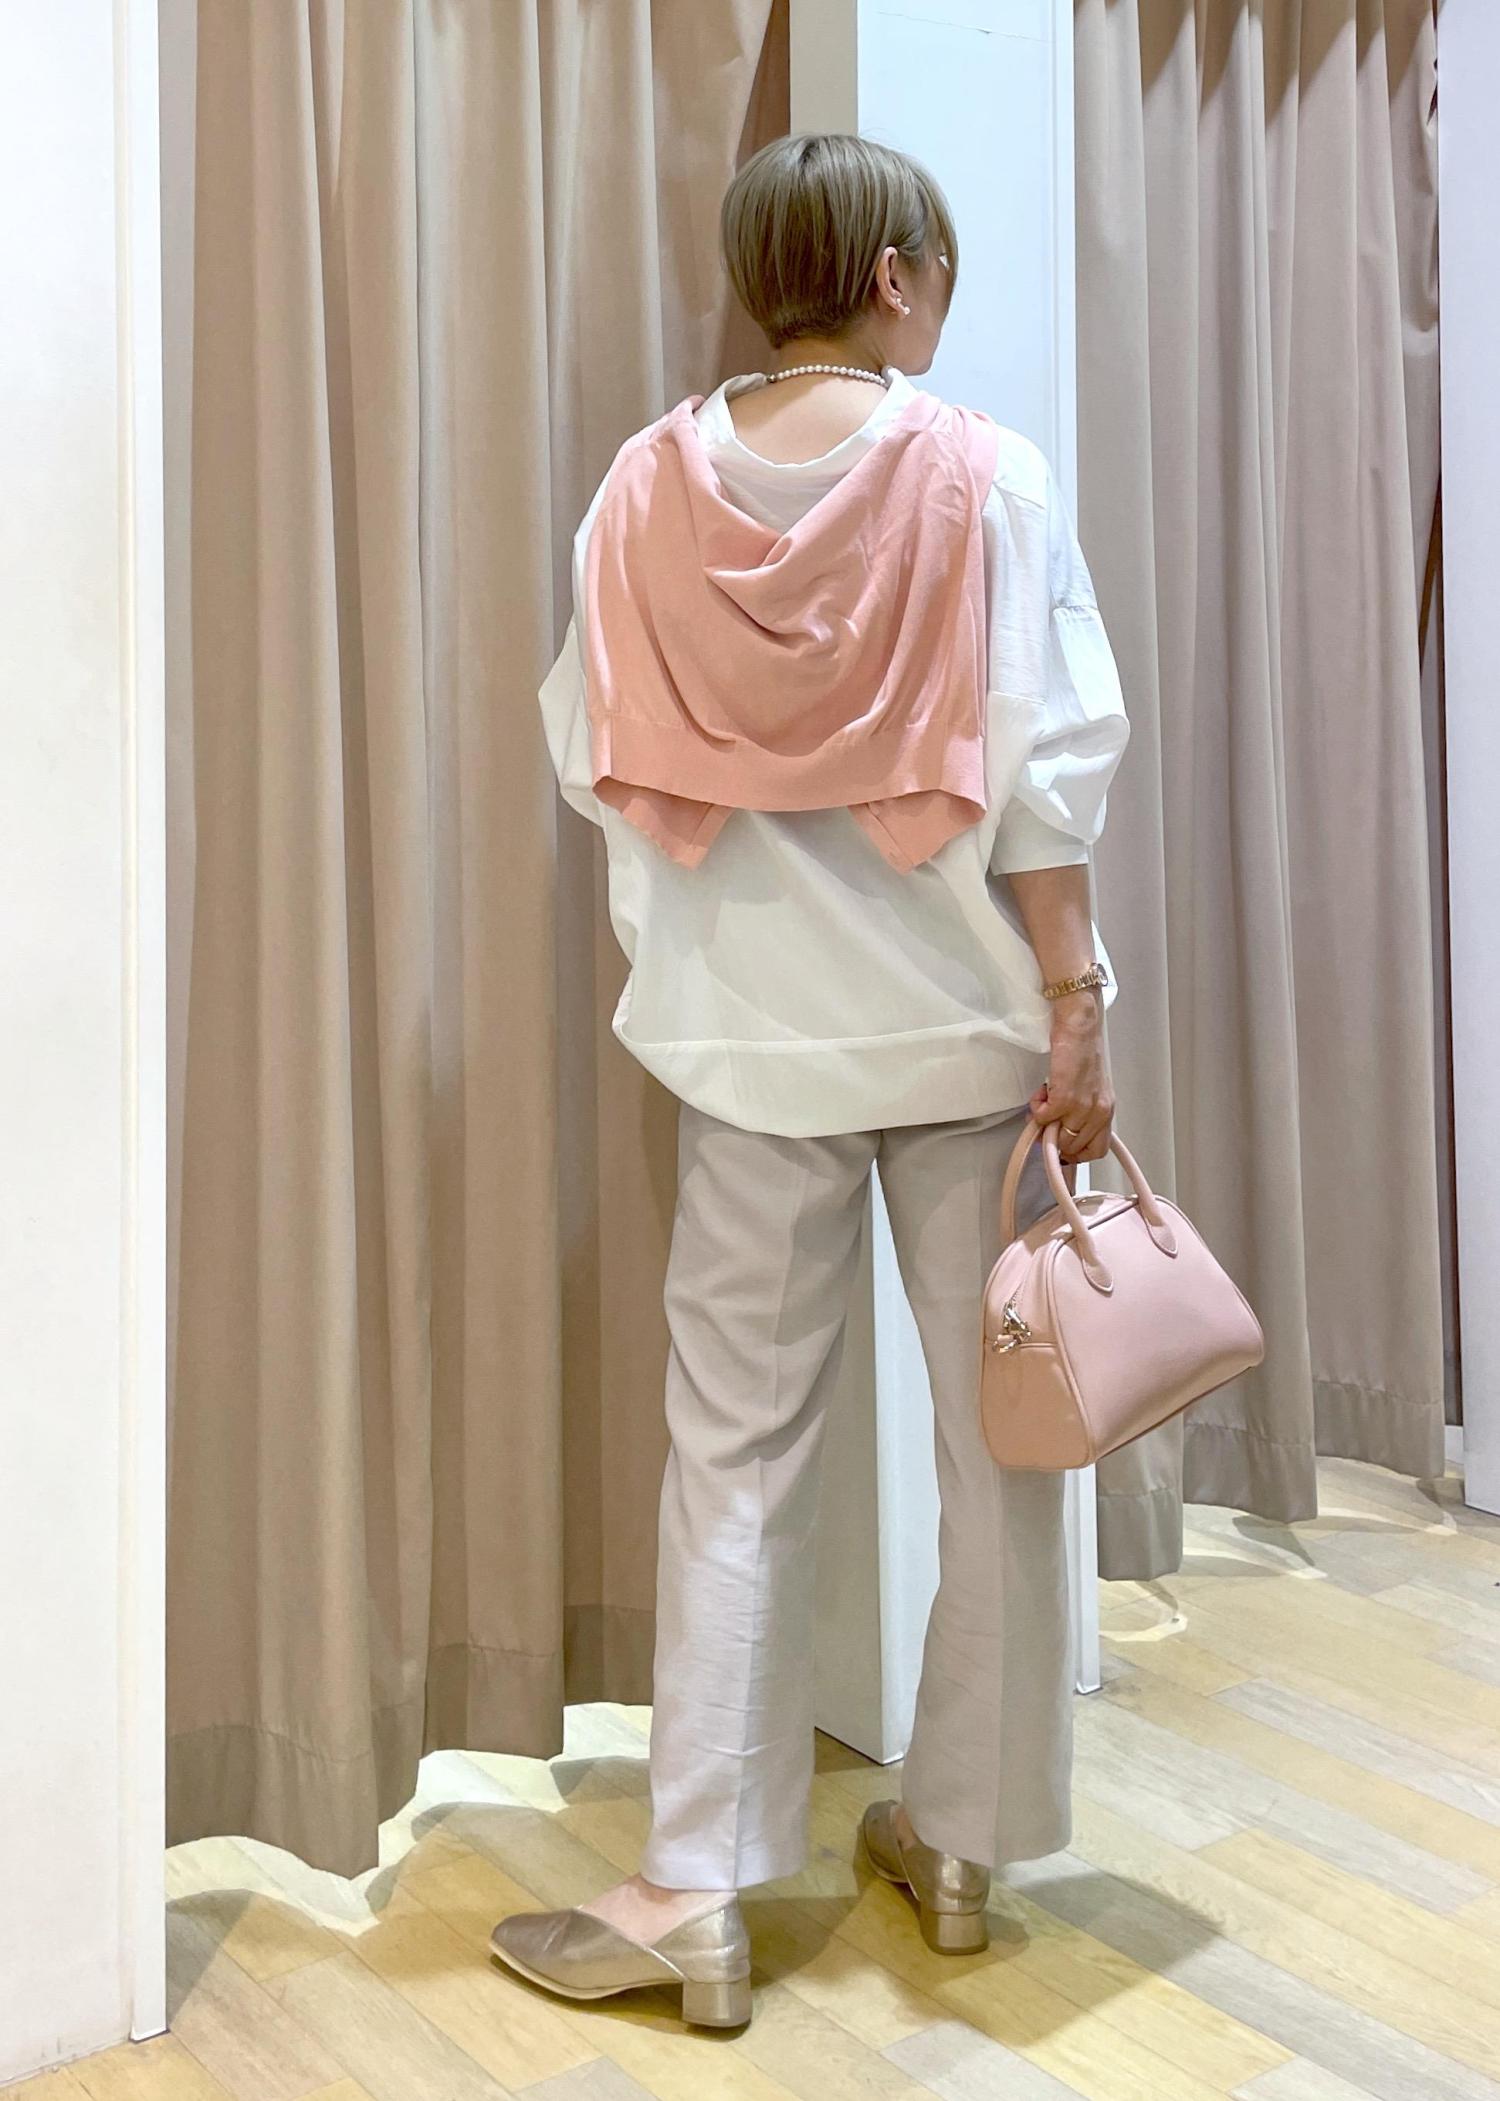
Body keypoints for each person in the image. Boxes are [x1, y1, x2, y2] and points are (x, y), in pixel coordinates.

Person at [490, 131, 1130, 2031]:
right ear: (895, 273)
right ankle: (964, 1837)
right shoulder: (988, 476)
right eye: (937, 267)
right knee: (1002, 1442)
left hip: (752, 1040)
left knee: (736, 1462)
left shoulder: (638, 486)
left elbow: (594, 754)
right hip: (969, 1033)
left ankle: (696, 1884)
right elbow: (1049, 775)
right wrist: (1077, 997)